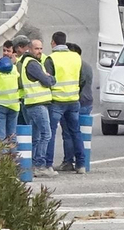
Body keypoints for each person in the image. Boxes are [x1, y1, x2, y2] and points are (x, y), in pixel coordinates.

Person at [15, 34, 56, 175]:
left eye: (41, 48)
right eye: (36, 49)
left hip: (31, 103)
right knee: (46, 135)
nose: (39, 51)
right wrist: (50, 78)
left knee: (36, 137)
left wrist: (49, 78)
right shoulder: (32, 63)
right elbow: (48, 81)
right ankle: (39, 165)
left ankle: (31, 165)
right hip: (37, 104)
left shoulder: (27, 62)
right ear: (29, 49)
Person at [45, 32, 83, 174]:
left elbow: (48, 79)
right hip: (73, 99)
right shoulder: (76, 57)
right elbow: (81, 77)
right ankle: (81, 164)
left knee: (50, 133)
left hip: (57, 100)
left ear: (53, 42)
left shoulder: (51, 59)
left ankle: (48, 164)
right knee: (75, 132)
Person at [66, 41, 94, 171]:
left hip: (77, 101)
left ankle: (69, 161)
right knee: (80, 133)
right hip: (87, 101)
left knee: (70, 133)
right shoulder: (87, 65)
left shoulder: (77, 66)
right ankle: (82, 162)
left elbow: (80, 82)